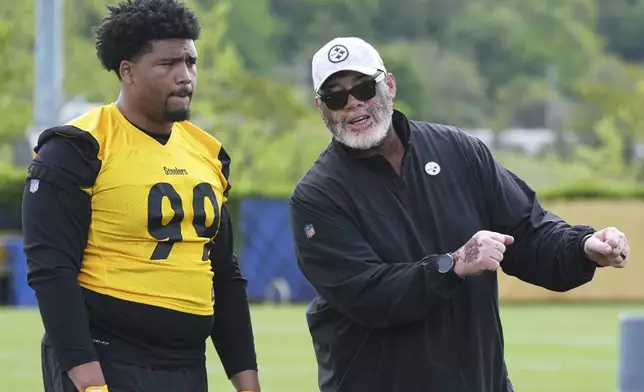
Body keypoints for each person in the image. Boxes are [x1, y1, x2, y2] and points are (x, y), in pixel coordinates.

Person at [288, 36, 631, 392]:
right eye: (336, 96)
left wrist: (584, 246)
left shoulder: (458, 151)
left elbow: (527, 231)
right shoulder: (316, 197)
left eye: (363, 87)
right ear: (321, 107)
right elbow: (368, 296)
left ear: (388, 85)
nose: (354, 104)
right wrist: (453, 264)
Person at [21, 1, 260, 391]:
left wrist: (247, 381)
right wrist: (87, 380)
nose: (185, 77)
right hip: (108, 358)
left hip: (186, 363)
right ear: (127, 71)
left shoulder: (208, 152)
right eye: (169, 64)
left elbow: (225, 276)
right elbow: (51, 270)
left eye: (191, 62)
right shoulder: (77, 148)